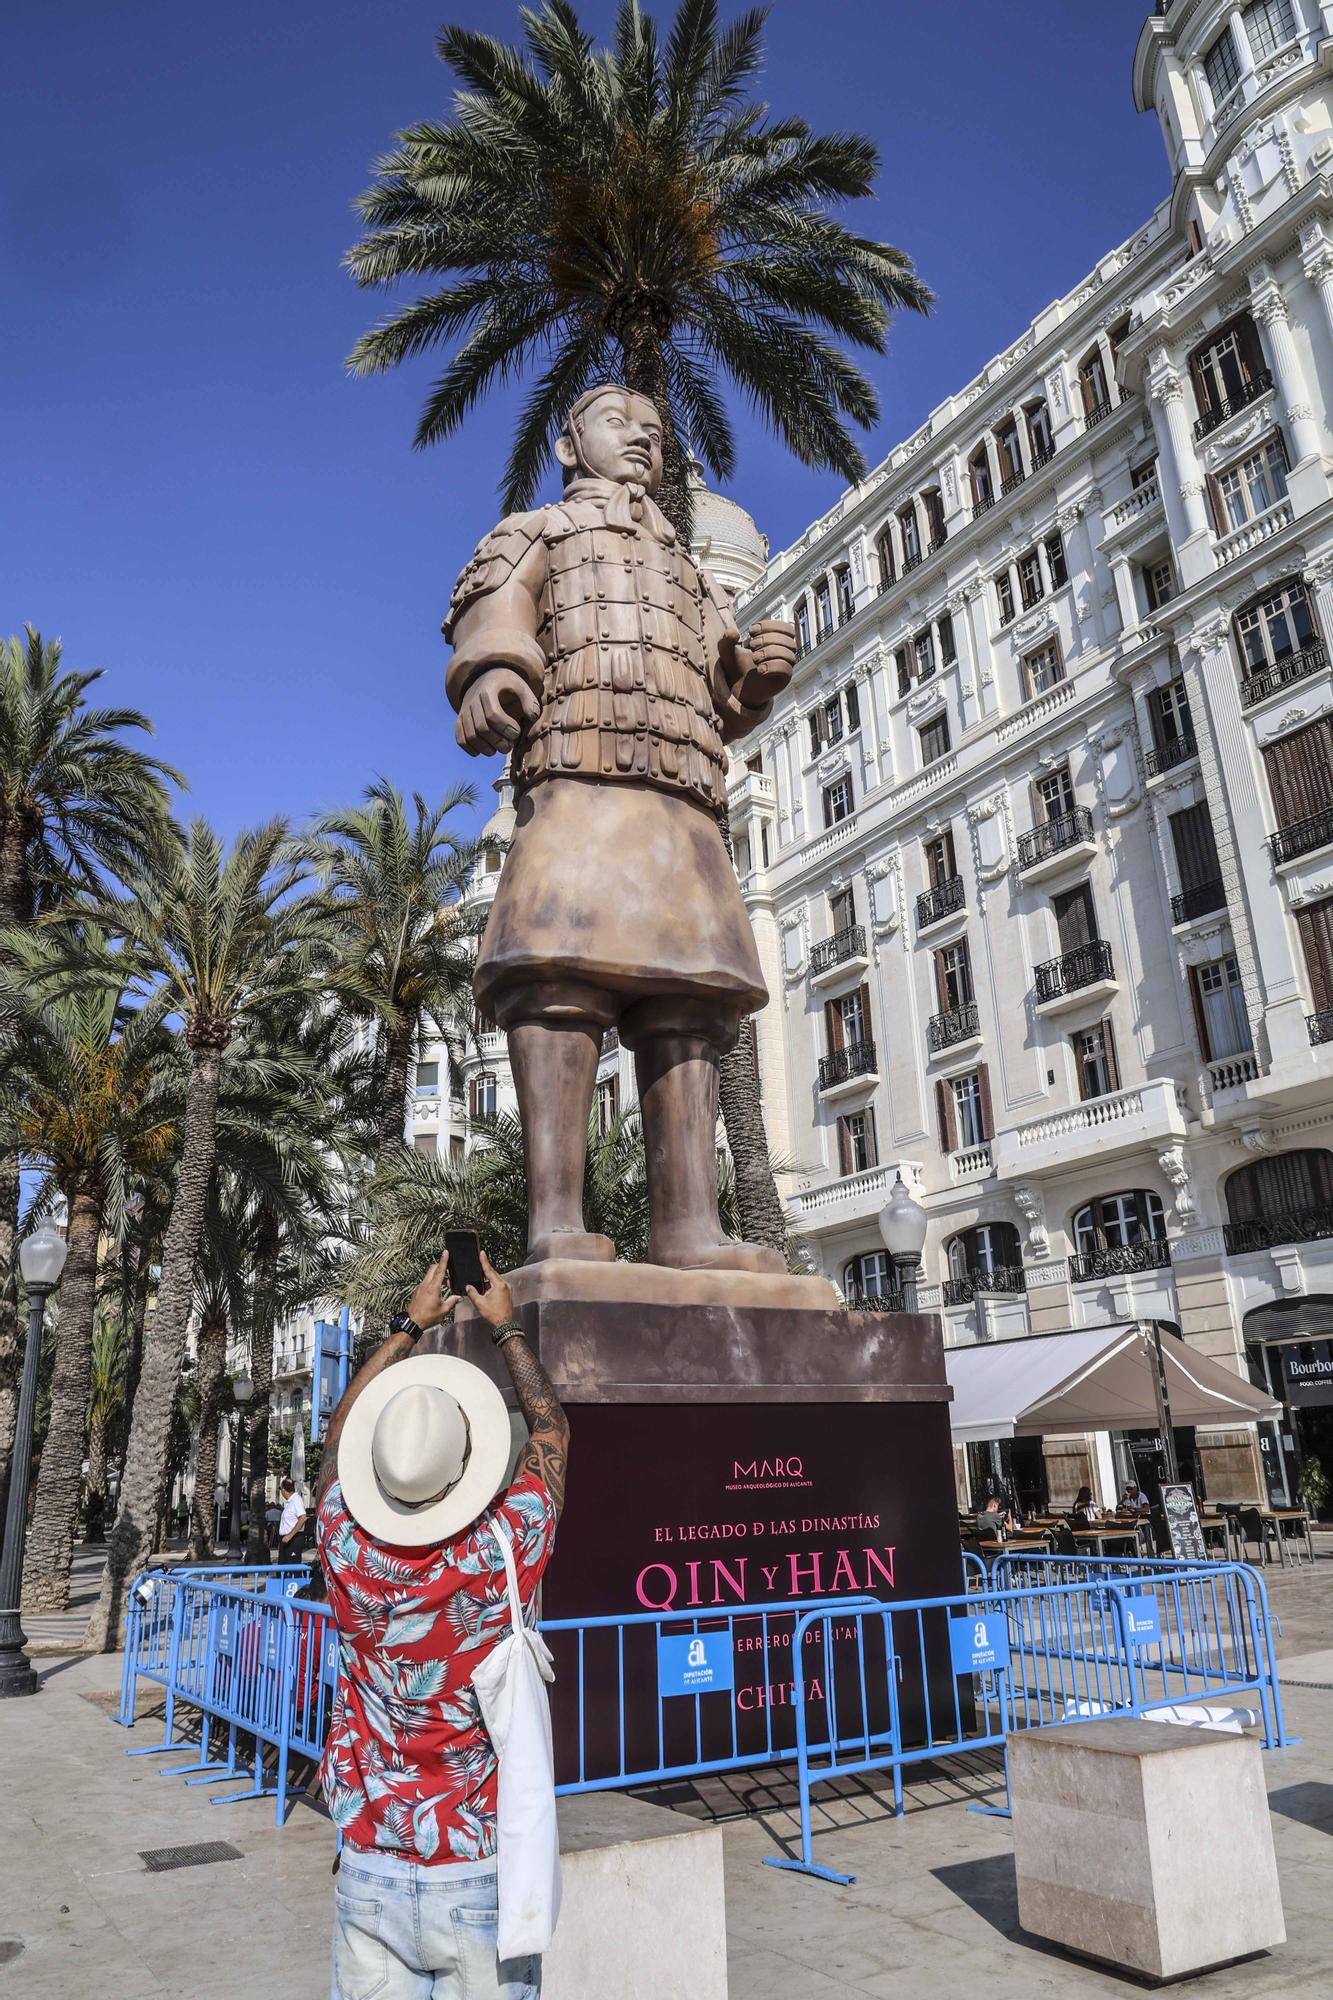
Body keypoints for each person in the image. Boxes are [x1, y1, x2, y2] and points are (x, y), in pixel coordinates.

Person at [444, 383, 797, 1273]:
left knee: (690, 1002)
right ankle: (554, 1221)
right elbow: (490, 615)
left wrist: (755, 675)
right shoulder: (538, 533)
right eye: (616, 424)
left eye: (653, 431)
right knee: (558, 987)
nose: (640, 440)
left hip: (680, 803)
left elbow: (724, 693)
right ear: (568, 447)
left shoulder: (683, 567)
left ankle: (689, 1228)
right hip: (575, 785)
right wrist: (490, 671)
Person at [316, 1250, 568, 2000]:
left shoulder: (343, 1543)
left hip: (367, 1860)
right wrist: (506, 1330)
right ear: (464, 1463)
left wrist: (406, 1329)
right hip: (476, 1868)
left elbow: (333, 1446)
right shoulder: (502, 1548)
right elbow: (552, 1436)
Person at [277, 1477, 307, 1562]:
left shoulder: (296, 1500)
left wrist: (290, 1535)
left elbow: (303, 1517)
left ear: (283, 1490)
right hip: (286, 1539)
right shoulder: (290, 1502)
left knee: (293, 1567)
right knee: (282, 1569)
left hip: (293, 1539)